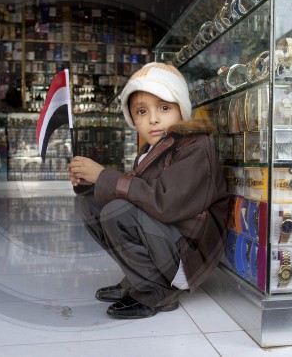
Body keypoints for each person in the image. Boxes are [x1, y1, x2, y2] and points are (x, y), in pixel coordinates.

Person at [67, 62, 228, 319]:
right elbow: (136, 190)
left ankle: (157, 292)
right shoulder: (150, 151)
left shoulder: (196, 147)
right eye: (141, 111)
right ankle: (138, 278)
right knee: (92, 205)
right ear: (133, 120)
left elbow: (165, 203)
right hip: (168, 240)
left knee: (119, 211)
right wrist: (92, 182)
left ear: (181, 110)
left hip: (189, 253)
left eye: (164, 107)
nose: (153, 118)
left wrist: (104, 175)